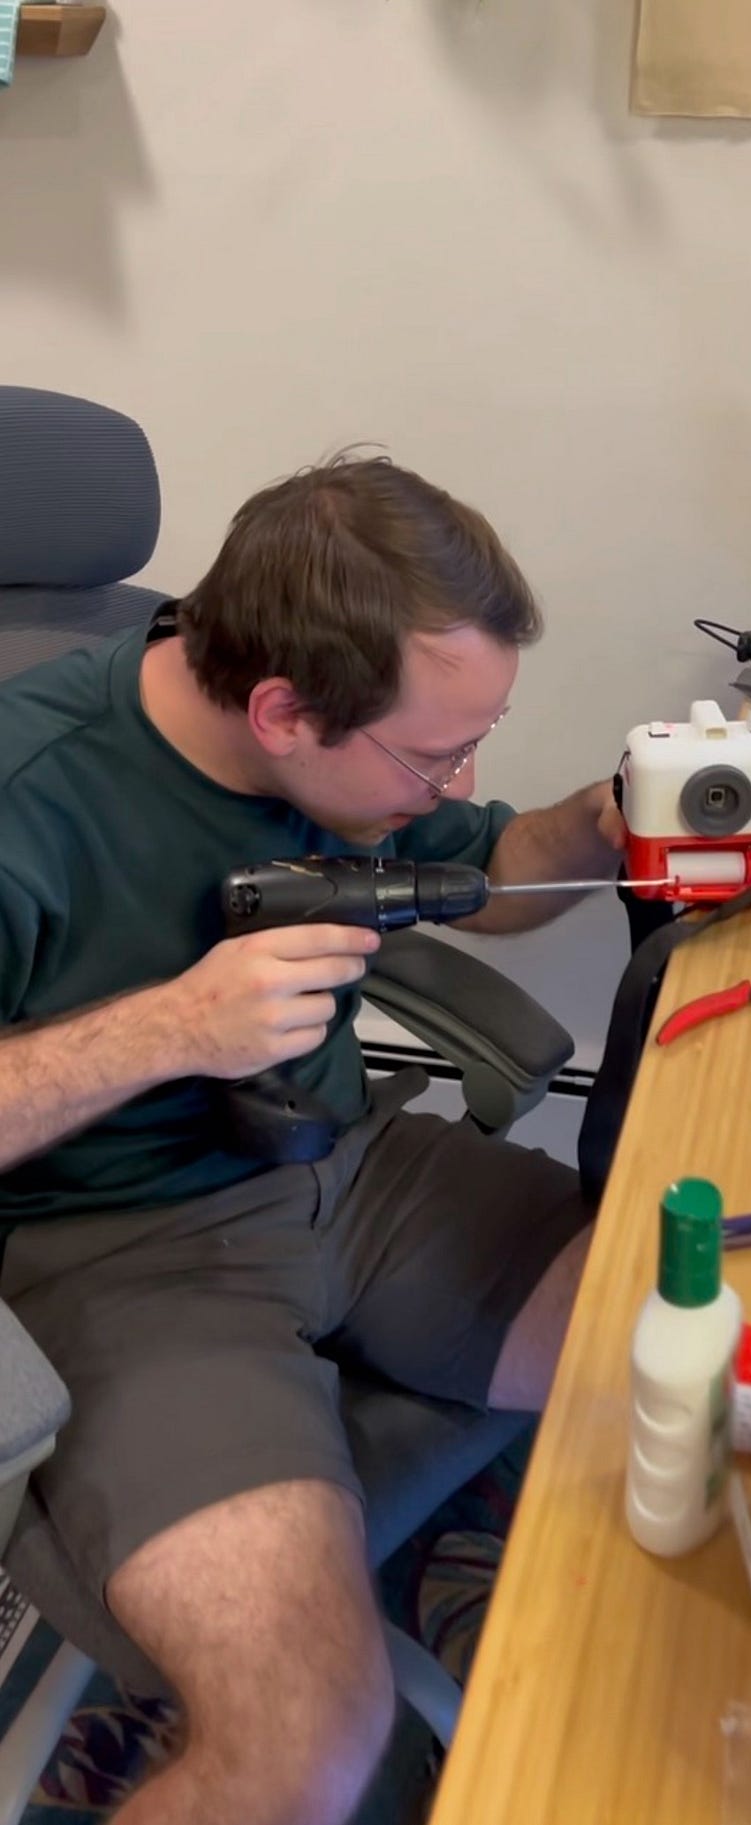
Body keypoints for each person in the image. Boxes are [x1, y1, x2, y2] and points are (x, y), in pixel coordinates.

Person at [0, 455, 624, 1825]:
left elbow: (488, 871)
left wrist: (600, 821)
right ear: (283, 711)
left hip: (349, 1162)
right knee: (304, 1751)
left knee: (696, 1341)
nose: (458, 778)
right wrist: (167, 1029)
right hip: (124, 1254)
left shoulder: (336, 748)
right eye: (433, 753)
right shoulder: (26, 794)